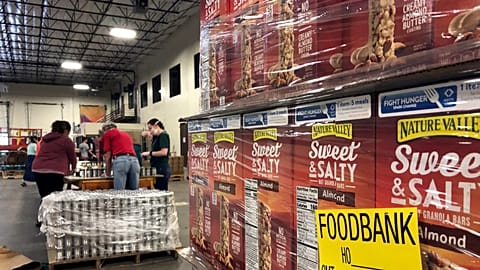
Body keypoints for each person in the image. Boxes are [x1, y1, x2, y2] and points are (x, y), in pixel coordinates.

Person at [32, 121, 76, 198]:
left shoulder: (44, 140)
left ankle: (44, 209)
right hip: (55, 171)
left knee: (45, 196)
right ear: (66, 131)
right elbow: (72, 156)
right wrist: (74, 168)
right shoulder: (66, 140)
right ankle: (51, 210)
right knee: (55, 197)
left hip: (37, 169)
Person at [102, 122, 140, 190]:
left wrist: (107, 173)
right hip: (135, 161)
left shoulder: (108, 134)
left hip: (121, 161)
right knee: (134, 192)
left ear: (105, 130)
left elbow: (108, 156)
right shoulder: (126, 134)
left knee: (120, 193)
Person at [142, 118, 171, 190]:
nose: (150, 131)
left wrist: (149, 153)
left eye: (150, 128)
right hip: (156, 167)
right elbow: (144, 134)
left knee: (161, 190)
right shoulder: (156, 137)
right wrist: (147, 133)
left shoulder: (163, 136)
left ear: (156, 126)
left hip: (161, 167)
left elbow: (164, 152)